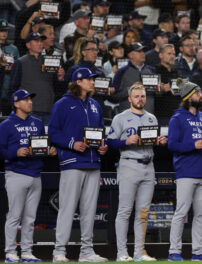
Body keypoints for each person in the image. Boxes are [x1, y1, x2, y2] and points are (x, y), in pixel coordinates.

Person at [49, 68, 108, 262]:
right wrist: (71, 143)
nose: (92, 82)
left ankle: (87, 251)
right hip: (72, 161)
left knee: (90, 210)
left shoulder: (95, 105)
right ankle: (59, 250)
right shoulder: (62, 104)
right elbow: (53, 133)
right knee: (67, 208)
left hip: (92, 161)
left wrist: (102, 146)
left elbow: (100, 132)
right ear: (78, 82)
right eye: (90, 79)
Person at [107, 83, 167, 262]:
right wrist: (125, 141)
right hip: (129, 164)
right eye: (137, 96)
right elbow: (110, 143)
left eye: (142, 96)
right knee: (125, 211)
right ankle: (121, 253)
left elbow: (152, 140)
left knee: (143, 212)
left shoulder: (152, 118)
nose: (140, 99)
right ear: (129, 99)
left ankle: (139, 252)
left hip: (148, 165)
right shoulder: (120, 118)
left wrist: (159, 141)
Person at [167, 79, 202, 261]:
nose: (201, 96)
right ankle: (174, 251)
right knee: (181, 213)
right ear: (188, 96)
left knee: (201, 214)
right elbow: (171, 145)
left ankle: (198, 251)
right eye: (198, 93)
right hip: (186, 171)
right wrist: (193, 144)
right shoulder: (177, 118)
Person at [0, 89, 56, 263]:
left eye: (30, 100)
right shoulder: (6, 125)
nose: (30, 102)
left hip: (35, 173)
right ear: (16, 103)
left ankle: (26, 252)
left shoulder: (38, 123)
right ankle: (10, 252)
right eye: (25, 100)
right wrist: (14, 152)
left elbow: (39, 146)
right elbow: (1, 151)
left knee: (30, 218)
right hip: (16, 173)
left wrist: (49, 150)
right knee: (14, 216)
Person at [9, 32, 65, 124]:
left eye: (41, 41)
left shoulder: (51, 61)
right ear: (28, 45)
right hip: (28, 112)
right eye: (36, 41)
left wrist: (60, 78)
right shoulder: (20, 62)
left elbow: (57, 87)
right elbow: (13, 88)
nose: (40, 44)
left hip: (48, 110)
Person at [112, 42, 155, 113]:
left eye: (143, 51)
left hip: (148, 115)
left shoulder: (152, 70)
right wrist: (131, 89)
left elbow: (157, 93)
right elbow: (114, 97)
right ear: (130, 55)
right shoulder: (121, 72)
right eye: (139, 51)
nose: (142, 53)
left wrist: (161, 89)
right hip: (128, 116)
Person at [0, 18, 19, 116]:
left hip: (7, 91)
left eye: (6, 30)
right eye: (1, 30)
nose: (4, 33)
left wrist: (13, 69)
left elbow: (19, 69)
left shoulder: (13, 49)